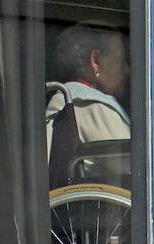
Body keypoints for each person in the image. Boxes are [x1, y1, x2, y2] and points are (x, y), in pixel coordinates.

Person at [46, 23, 130, 156]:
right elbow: (130, 165)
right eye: (121, 60)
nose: (126, 69)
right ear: (96, 61)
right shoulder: (95, 109)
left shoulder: (62, 102)